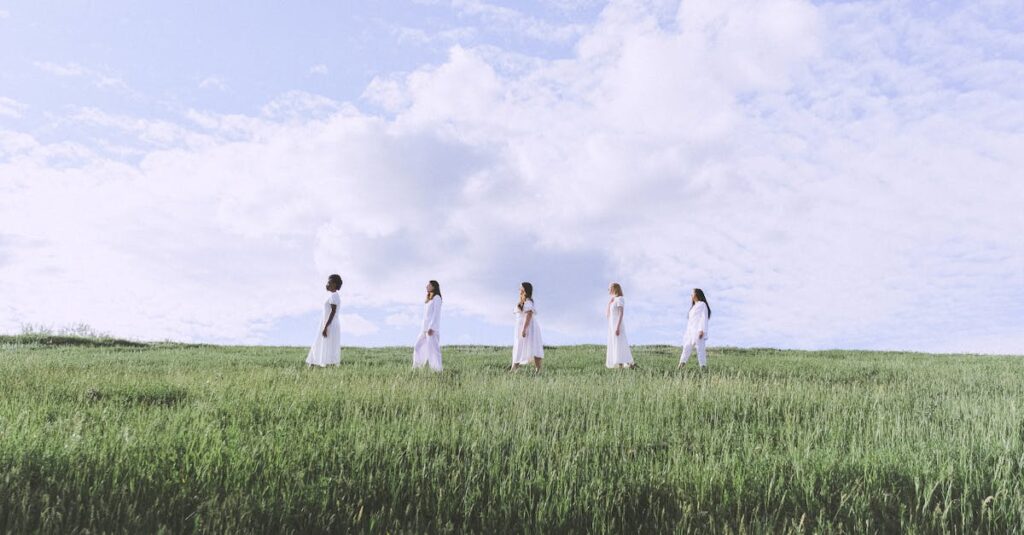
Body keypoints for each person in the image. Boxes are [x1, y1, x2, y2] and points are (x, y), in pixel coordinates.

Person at [306, 274, 343, 367]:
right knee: (322, 345)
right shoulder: (333, 296)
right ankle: (316, 366)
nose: (327, 284)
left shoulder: (334, 296)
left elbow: (333, 312)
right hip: (329, 324)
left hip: (330, 325)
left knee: (324, 346)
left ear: (334, 284)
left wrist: (325, 327)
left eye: (329, 282)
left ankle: (316, 367)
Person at [511, 282, 544, 372]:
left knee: (533, 347)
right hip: (522, 327)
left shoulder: (528, 301)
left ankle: (538, 370)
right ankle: (514, 368)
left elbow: (529, 315)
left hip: (529, 327)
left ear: (525, 290)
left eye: (521, 288)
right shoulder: (523, 302)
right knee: (519, 346)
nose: (519, 289)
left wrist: (524, 329)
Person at [412, 280, 443, 371]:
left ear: (433, 287)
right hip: (424, 329)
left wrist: (431, 327)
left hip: (431, 330)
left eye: (428, 285)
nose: (426, 286)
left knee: (433, 351)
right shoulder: (429, 299)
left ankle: (437, 370)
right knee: (417, 347)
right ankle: (417, 368)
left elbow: (436, 314)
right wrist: (424, 328)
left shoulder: (437, 298)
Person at [678, 288, 711, 369]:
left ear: (697, 294)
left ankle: (703, 369)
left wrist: (702, 330)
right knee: (686, 348)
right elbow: (690, 322)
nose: (691, 295)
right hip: (690, 332)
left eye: (692, 293)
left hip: (698, 331)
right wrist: (687, 333)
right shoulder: (693, 308)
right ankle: (679, 368)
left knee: (700, 350)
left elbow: (703, 317)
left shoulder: (702, 304)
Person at [605, 282, 635, 368]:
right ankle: (621, 364)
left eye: (609, 288)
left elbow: (621, 314)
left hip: (617, 325)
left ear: (614, 289)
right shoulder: (613, 300)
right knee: (614, 344)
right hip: (612, 325)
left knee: (619, 344)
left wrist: (617, 327)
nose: (608, 290)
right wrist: (609, 303)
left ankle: (623, 364)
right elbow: (607, 315)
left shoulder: (620, 299)